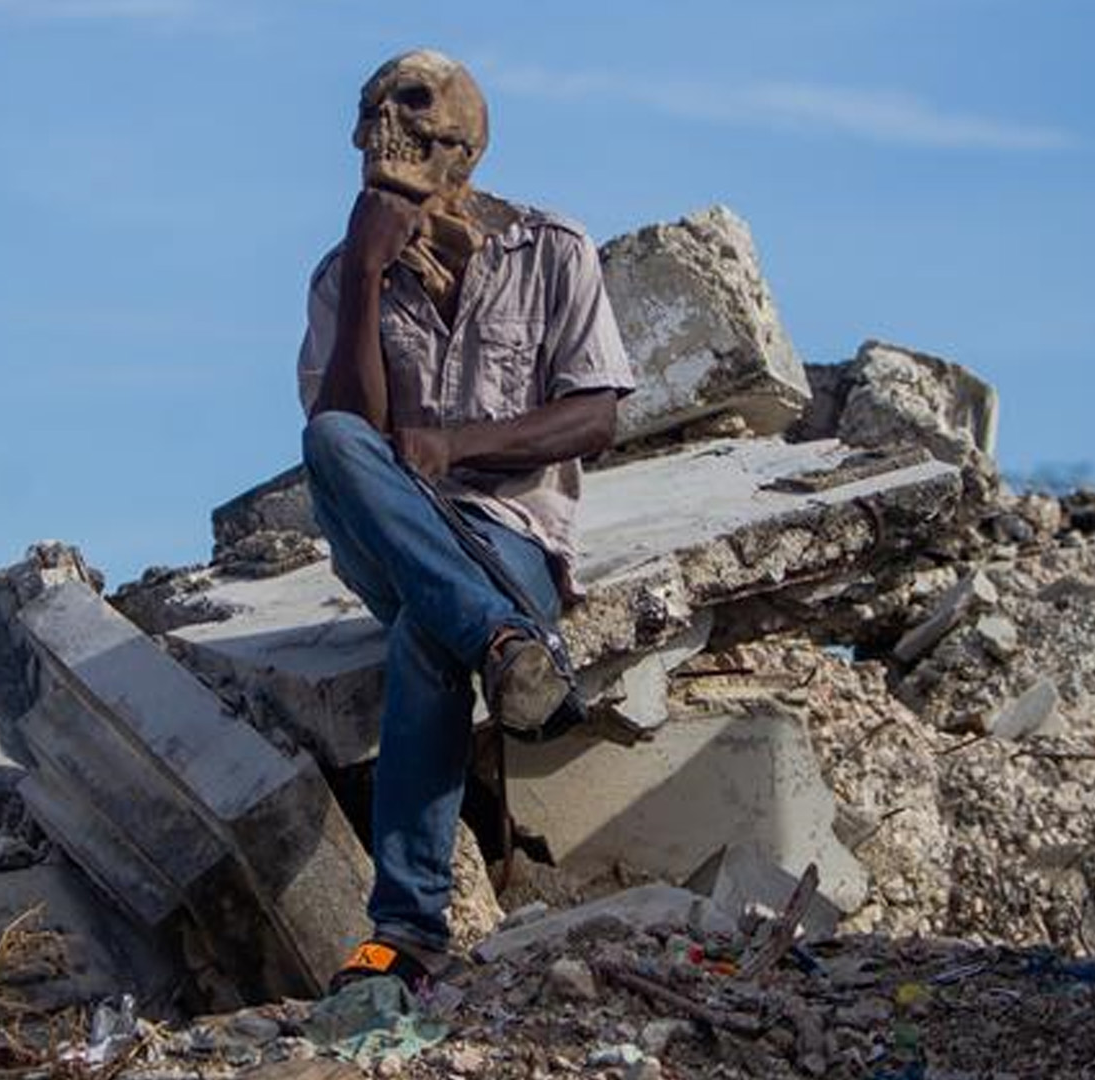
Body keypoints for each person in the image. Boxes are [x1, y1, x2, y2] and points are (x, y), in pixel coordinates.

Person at [296, 49, 636, 987]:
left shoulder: (551, 249)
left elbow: (597, 415)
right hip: (396, 533)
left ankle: (401, 936)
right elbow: (351, 434)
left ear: (467, 143)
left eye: (408, 109)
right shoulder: (338, 278)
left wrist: (459, 445)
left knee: (420, 639)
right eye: (370, 113)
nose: (382, 132)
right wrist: (369, 273)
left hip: (512, 536)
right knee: (328, 438)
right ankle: (503, 644)